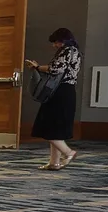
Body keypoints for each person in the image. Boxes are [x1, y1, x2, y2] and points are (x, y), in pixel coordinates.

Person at [28, 28, 82, 170]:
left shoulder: (67, 51)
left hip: (59, 91)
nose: (55, 45)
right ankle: (54, 162)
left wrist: (38, 67)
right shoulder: (75, 52)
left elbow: (55, 69)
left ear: (63, 40)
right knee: (56, 128)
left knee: (47, 126)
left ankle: (68, 152)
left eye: (56, 42)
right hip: (68, 91)